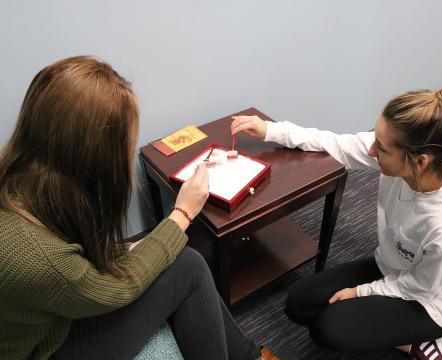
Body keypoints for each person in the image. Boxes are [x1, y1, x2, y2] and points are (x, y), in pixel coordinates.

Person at [0, 56, 279, 360]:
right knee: (189, 266)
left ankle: (250, 357)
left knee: (178, 260)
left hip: (49, 318)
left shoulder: (19, 184)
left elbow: (72, 259)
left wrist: (134, 249)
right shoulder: (35, 255)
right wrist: (182, 213)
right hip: (46, 349)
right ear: (92, 153)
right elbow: (110, 288)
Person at [231, 87, 442, 360]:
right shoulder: (404, 159)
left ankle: (420, 341)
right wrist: (269, 130)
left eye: (381, 148)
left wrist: (360, 292)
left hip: (433, 299)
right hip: (394, 266)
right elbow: (338, 145)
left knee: (329, 330)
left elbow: (419, 287)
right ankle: (391, 325)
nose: (372, 149)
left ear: (419, 161)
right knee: (299, 304)